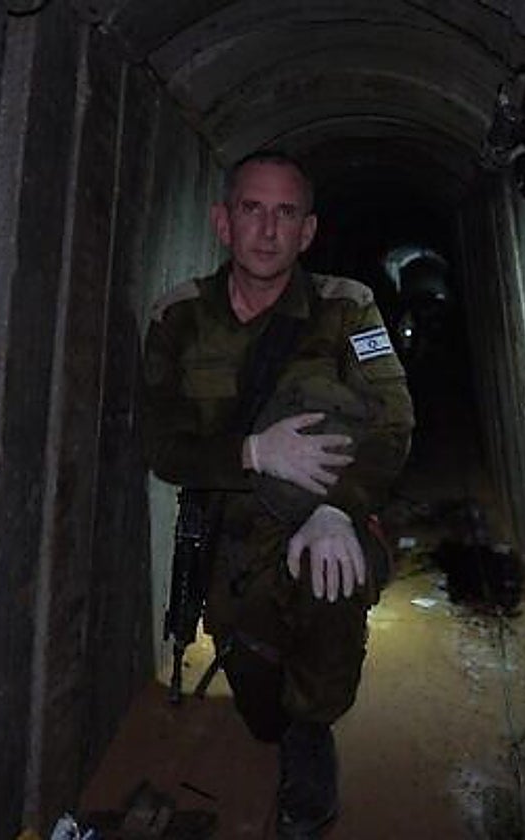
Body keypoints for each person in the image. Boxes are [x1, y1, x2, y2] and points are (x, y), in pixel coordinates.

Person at [139, 150, 414, 838]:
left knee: (330, 582)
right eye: (252, 209)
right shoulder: (178, 318)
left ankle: (313, 736)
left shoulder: (348, 308)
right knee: (261, 711)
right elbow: (160, 445)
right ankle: (282, 710)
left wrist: (338, 508)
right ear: (222, 222)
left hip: (321, 521)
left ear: (308, 231)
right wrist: (252, 452)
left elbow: (394, 423)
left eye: (285, 213)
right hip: (229, 539)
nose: (267, 229)